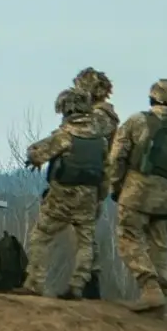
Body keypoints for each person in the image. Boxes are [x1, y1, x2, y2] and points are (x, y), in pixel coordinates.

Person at [106, 78, 167, 314]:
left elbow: (116, 157)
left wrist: (115, 186)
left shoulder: (137, 122)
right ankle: (160, 301)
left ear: (153, 98)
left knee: (128, 238)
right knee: (160, 245)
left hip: (136, 190)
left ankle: (150, 288)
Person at [17, 87, 109, 299]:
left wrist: (34, 157)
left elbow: (37, 153)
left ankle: (34, 283)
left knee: (41, 236)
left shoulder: (64, 136)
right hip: (88, 197)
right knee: (85, 242)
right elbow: (106, 172)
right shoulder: (100, 140)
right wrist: (98, 198)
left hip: (61, 197)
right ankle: (77, 286)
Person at [71, 68, 118, 299]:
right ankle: (87, 278)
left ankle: (90, 282)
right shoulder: (95, 114)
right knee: (82, 230)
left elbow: (87, 136)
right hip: (82, 177)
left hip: (92, 179)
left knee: (84, 230)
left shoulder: (102, 116)